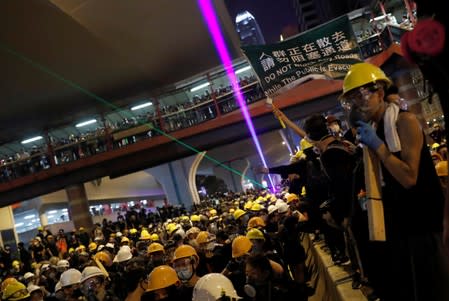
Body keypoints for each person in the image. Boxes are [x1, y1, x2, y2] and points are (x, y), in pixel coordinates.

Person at [340, 62, 449, 300]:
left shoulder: (404, 121)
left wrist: (378, 147)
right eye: (353, 99)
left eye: (363, 95)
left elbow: (409, 178)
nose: (359, 103)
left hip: (422, 222)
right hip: (399, 224)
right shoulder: (375, 129)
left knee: (433, 289)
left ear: (380, 91)